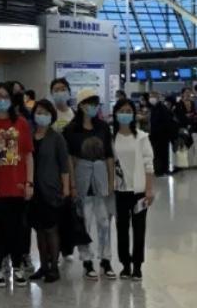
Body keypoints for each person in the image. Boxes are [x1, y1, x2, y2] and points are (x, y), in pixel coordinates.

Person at [0, 82, 35, 287]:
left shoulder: (21, 123)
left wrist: (30, 182)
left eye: (5, 96)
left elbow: (28, 155)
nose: (2, 100)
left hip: (17, 186)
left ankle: (17, 266)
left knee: (17, 229)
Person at [64, 89, 116, 280]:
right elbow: (69, 159)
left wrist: (111, 182)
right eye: (89, 103)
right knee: (84, 222)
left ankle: (106, 259)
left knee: (104, 222)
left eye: (96, 104)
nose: (93, 107)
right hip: (81, 178)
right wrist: (72, 185)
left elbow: (109, 155)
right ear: (81, 106)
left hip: (101, 178)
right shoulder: (71, 130)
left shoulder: (102, 127)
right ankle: (87, 260)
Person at [111, 99, 154, 281]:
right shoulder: (111, 137)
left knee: (139, 228)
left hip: (138, 191)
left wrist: (149, 190)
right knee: (121, 228)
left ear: (133, 114)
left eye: (128, 111)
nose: (125, 114)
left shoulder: (142, 137)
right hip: (119, 191)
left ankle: (137, 266)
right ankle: (125, 264)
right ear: (115, 113)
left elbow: (149, 165)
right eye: (121, 110)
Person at [29, 99, 70, 283]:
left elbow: (64, 165)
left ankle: (54, 266)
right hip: (33, 189)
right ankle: (43, 266)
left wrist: (66, 187)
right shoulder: (29, 135)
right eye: (39, 112)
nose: (41, 116)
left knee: (51, 229)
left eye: (45, 113)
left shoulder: (56, 137)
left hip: (51, 189)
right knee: (38, 229)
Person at [144, 91, 174, 178]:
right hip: (155, 134)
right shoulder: (154, 107)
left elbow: (166, 122)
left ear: (157, 97)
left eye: (153, 96)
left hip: (161, 134)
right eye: (150, 96)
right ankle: (160, 169)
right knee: (157, 153)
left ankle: (162, 170)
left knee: (161, 152)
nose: (151, 98)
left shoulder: (162, 108)